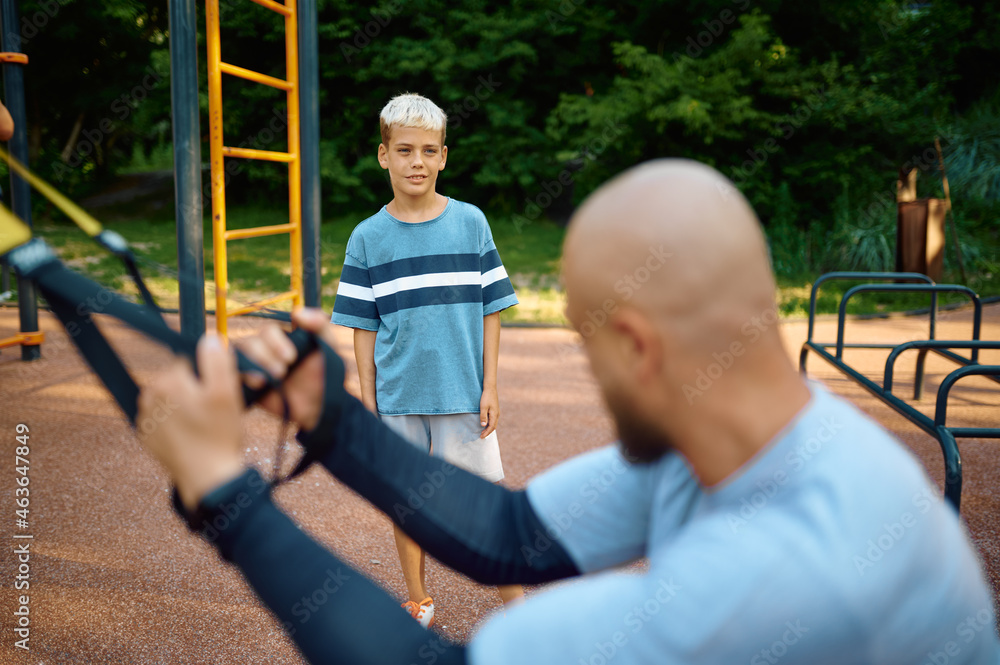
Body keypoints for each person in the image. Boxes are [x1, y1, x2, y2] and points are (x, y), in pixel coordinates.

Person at [138, 159, 1000, 664]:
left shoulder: (790, 574)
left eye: (587, 344)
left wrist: (224, 492)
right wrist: (332, 418)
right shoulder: (740, 439)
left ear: (637, 347)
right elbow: (511, 533)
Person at [327, 92, 523, 626]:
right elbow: (364, 327)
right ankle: (418, 598)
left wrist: (490, 385)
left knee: (485, 506)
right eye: (405, 150)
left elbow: (492, 309)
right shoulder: (367, 238)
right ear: (383, 155)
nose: (417, 162)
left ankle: (517, 609)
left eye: (428, 151)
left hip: (463, 392)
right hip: (398, 397)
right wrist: (369, 399)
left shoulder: (471, 223)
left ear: (443, 157)